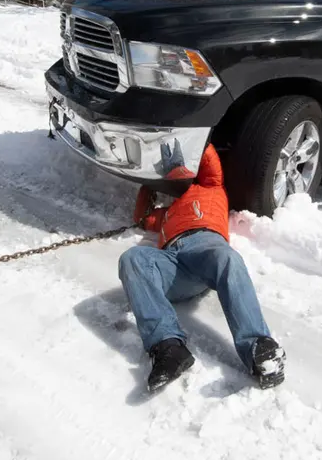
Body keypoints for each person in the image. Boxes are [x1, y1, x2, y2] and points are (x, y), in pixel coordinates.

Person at [118, 141, 285, 392]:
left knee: (227, 258)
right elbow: (142, 218)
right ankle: (168, 347)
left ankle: (258, 348)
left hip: (205, 247)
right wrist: (148, 184)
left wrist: (188, 136)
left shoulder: (209, 186)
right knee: (133, 258)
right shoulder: (167, 213)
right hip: (174, 264)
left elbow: (210, 161)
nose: (176, 180)